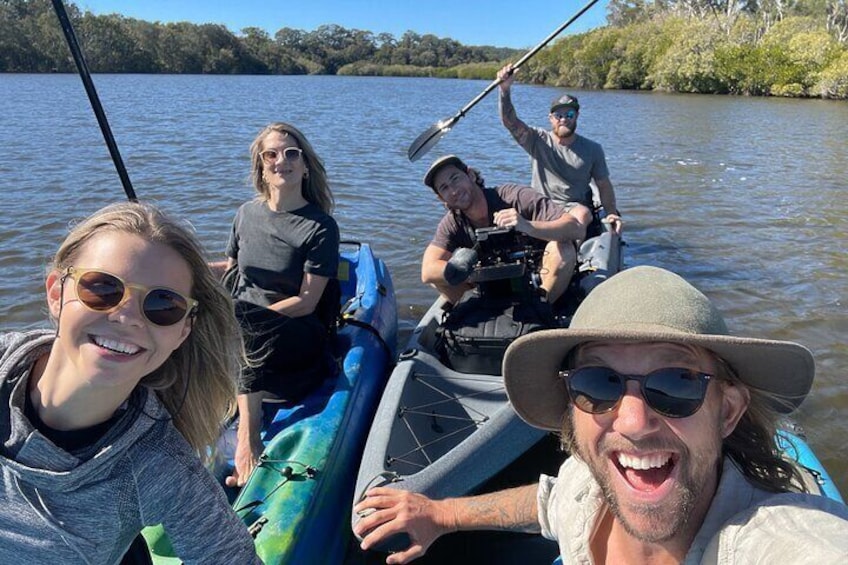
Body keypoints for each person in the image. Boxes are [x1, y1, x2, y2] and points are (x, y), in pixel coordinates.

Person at [354, 266, 848, 564]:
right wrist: (440, 512)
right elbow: (551, 501)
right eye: (597, 383)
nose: (632, 422)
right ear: (573, 404)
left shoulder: (775, 539)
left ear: (728, 411)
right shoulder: (589, 485)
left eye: (676, 383)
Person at [0, 202, 260, 563]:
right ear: (57, 294)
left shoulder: (157, 466)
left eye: (162, 306)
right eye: (103, 288)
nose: (127, 317)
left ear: (182, 331)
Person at [215, 122, 340, 488]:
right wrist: (181, 266)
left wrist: (246, 322)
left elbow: (306, 301)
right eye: (271, 154)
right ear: (261, 165)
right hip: (242, 326)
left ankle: (247, 440)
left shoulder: (319, 227)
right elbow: (233, 269)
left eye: (290, 153)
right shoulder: (245, 214)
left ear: (304, 165)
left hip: (296, 331)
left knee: (244, 320)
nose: (280, 160)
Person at [421, 154, 585, 306]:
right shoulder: (453, 222)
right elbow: (427, 271)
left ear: (470, 175)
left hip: (537, 280)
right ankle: (479, 314)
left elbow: (575, 229)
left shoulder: (516, 197)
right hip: (488, 286)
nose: (454, 191)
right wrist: (466, 270)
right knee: (440, 278)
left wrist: (527, 226)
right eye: (444, 188)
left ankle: (542, 309)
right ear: (442, 198)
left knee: (562, 248)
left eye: (455, 179)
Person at [497, 63, 622, 236]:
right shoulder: (536, 139)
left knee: (583, 214)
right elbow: (510, 122)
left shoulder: (593, 149)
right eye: (558, 115)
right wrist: (504, 90)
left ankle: (574, 251)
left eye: (569, 115)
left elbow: (604, 185)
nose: (564, 119)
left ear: (577, 116)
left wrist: (611, 213)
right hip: (541, 204)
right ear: (551, 118)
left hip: (573, 207)